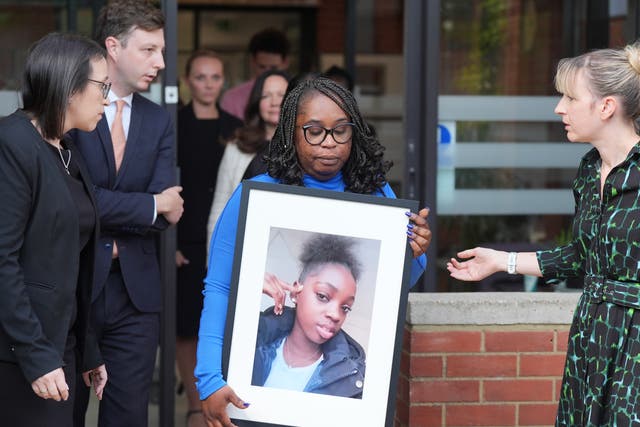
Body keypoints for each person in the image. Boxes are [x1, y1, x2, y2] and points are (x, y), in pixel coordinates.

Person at [196, 77, 431, 426]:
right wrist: (209, 378)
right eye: (314, 131)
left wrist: (414, 251)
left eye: (341, 131)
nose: (329, 144)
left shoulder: (376, 193)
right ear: (292, 131)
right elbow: (219, 288)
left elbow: (395, 289)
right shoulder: (257, 195)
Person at [447, 43, 640, 426]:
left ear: (606, 107)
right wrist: (501, 261)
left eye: (570, 97)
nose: (559, 108)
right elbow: (580, 259)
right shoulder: (589, 171)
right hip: (592, 333)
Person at [70, 1, 184, 426]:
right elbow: (76, 200)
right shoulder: (75, 108)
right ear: (113, 47)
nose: (160, 62)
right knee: (66, 412)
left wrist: (153, 207)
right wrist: (151, 204)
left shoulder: (159, 120)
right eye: (149, 50)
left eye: (162, 51)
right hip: (76, 284)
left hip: (136, 295)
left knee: (128, 417)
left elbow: (166, 212)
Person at [0, 32, 108, 427]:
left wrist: (89, 349)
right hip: (21, 354)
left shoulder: (67, 152)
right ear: (68, 85)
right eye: (102, 86)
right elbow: (3, 260)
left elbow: (70, 261)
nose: (107, 98)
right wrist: (36, 355)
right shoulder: (12, 143)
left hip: (63, 348)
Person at [176, 49, 243, 427]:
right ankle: (192, 404)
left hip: (221, 234)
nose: (208, 84)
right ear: (188, 80)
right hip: (185, 240)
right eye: (200, 77)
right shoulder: (175, 123)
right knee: (186, 326)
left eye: (215, 77)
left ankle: (214, 397)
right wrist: (170, 242)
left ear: (223, 82)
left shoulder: (235, 129)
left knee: (215, 323)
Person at [253, 234, 366, 398]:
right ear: (296, 292)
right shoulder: (252, 338)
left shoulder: (350, 381)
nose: (336, 315)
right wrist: (246, 287)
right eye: (323, 296)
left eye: (345, 308)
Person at [206, 69, 289, 243]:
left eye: (281, 95)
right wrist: (213, 261)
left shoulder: (304, 146)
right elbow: (221, 205)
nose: (275, 102)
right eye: (266, 96)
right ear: (256, 102)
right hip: (241, 242)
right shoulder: (237, 145)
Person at [220, 28, 290, 120]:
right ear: (252, 62)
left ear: (286, 63)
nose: (267, 73)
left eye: (274, 68)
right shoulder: (232, 98)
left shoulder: (299, 96)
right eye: (262, 67)